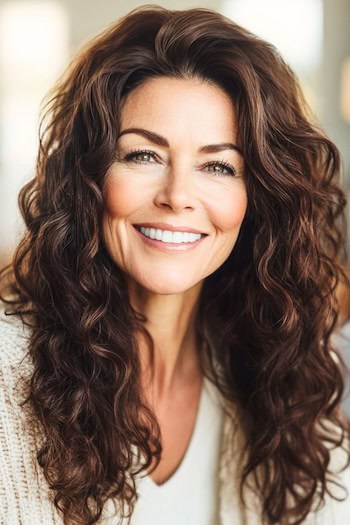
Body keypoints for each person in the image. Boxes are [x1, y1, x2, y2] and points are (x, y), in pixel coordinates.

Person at [0, 4, 349, 525]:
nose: (178, 196)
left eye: (217, 165)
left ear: (258, 199)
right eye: (143, 155)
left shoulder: (285, 384)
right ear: (87, 177)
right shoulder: (8, 384)